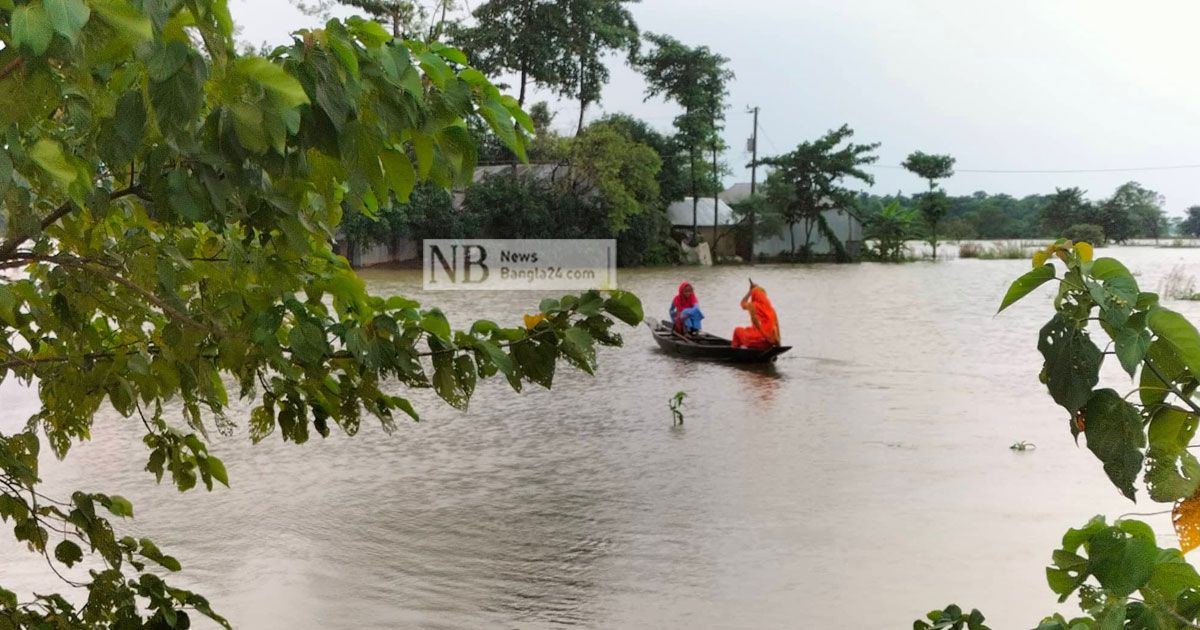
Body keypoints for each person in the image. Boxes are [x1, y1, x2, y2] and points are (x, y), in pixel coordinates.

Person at [731, 281, 780, 349]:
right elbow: (777, 328)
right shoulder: (772, 310)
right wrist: (778, 344)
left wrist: (750, 291)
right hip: (769, 342)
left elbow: (743, 303)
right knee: (749, 330)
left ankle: (734, 350)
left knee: (737, 330)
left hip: (757, 341)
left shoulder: (753, 305)